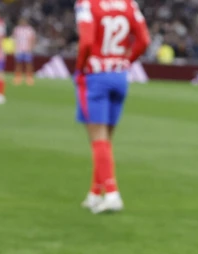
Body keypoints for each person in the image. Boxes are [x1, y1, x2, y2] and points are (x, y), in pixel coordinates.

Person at [74, 0, 150, 214]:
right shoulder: (129, 4)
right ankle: (95, 193)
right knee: (106, 139)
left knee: (97, 138)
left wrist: (80, 68)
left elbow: (87, 41)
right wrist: (126, 61)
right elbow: (144, 40)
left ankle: (112, 193)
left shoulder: (87, 4)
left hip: (95, 75)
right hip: (119, 76)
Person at [12, 16, 36, 85]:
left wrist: (31, 48)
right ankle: (18, 77)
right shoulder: (17, 29)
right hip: (19, 49)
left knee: (28, 64)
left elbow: (32, 39)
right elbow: (14, 39)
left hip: (27, 49)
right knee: (18, 64)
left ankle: (29, 77)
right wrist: (14, 48)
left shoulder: (30, 30)